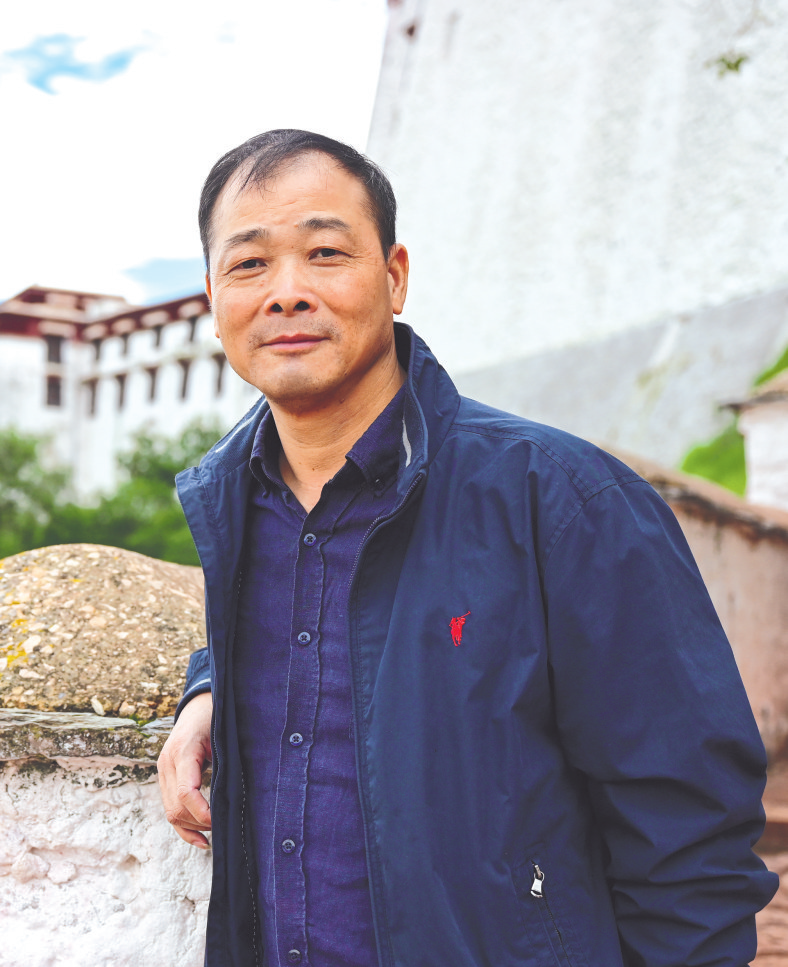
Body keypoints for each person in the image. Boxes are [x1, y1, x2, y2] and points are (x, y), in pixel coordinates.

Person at [157, 129, 777, 967]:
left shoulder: (561, 500)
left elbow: (688, 830)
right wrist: (209, 685)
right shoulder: (237, 507)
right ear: (211, 296)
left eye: (326, 252)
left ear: (395, 276)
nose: (287, 293)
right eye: (250, 264)